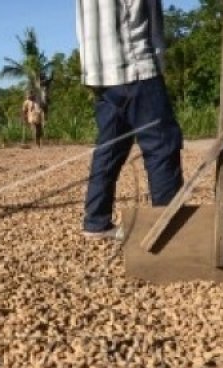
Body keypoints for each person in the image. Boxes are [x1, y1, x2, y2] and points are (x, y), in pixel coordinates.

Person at [76, 0, 184, 239]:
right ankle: (169, 231)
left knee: (109, 148)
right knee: (162, 146)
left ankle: (96, 221)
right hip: (136, 66)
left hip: (101, 75)